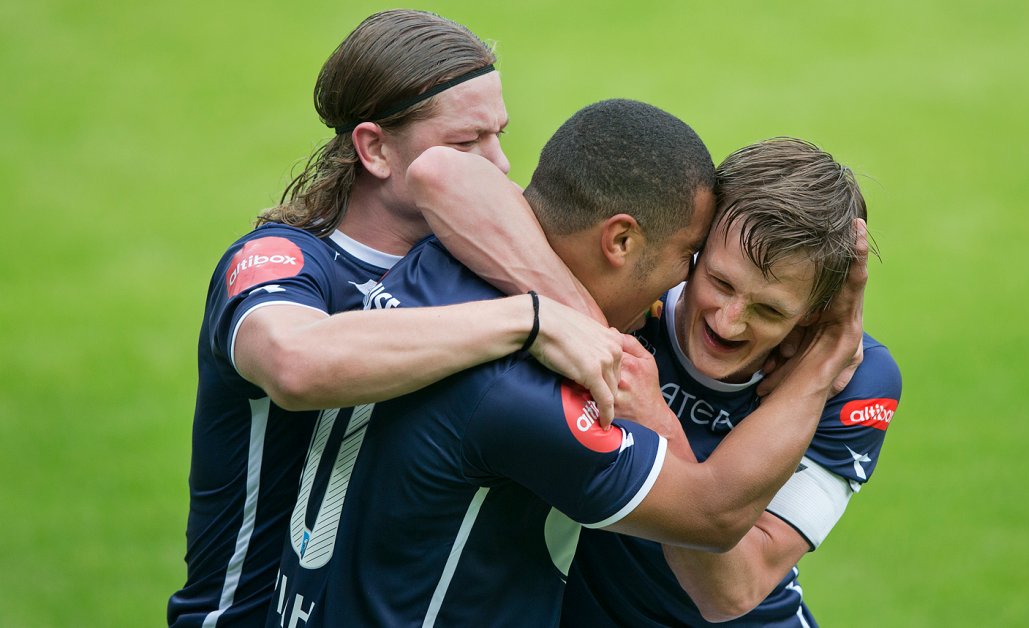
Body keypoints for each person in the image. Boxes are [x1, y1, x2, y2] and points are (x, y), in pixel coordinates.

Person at [266, 100, 867, 627]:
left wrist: (575, 322)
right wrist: (588, 333)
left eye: (769, 310)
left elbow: (442, 171)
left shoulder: (443, 255)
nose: (718, 314)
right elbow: (711, 516)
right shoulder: (539, 390)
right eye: (693, 261)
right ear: (622, 241)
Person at [168, 10, 625, 627]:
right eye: (464, 143)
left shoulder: (478, 257)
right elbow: (295, 364)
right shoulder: (281, 262)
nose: (498, 165)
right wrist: (529, 318)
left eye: (498, 135)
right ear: (375, 149)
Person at [560, 138, 902, 626]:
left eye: (769, 310)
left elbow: (731, 592)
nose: (729, 322)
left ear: (813, 313)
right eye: (720, 283)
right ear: (696, 247)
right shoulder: (625, 300)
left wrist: (657, 421)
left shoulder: (858, 384)